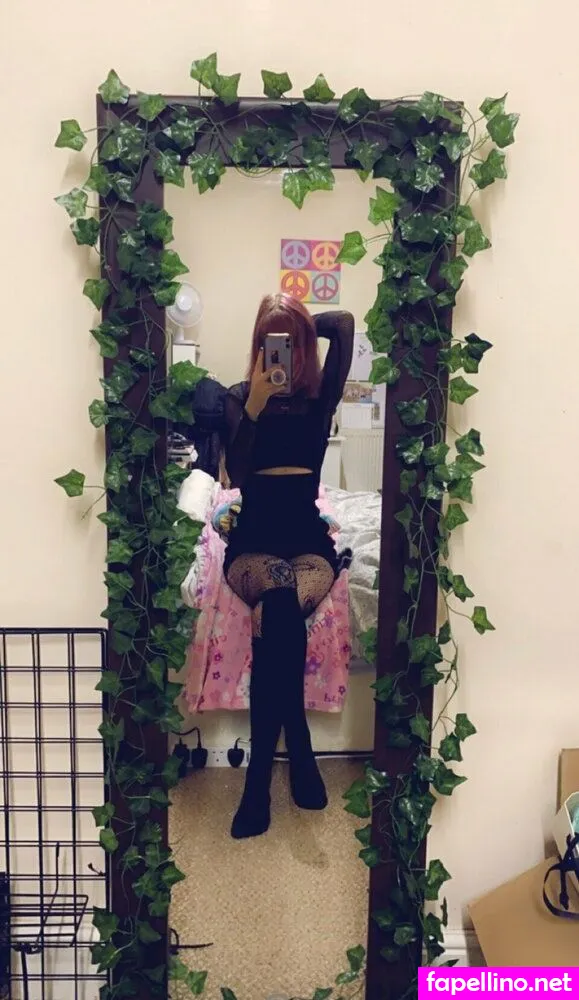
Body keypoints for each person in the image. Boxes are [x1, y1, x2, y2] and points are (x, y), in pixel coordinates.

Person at [223, 293, 354, 839]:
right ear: (257, 346)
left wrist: (297, 321)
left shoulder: (320, 398)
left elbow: (342, 324)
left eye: (291, 344)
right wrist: (254, 405)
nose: (281, 353)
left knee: (277, 613)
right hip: (252, 545)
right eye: (269, 341)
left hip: (307, 543)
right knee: (277, 600)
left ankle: (261, 778)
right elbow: (235, 476)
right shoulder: (237, 399)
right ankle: (292, 752)